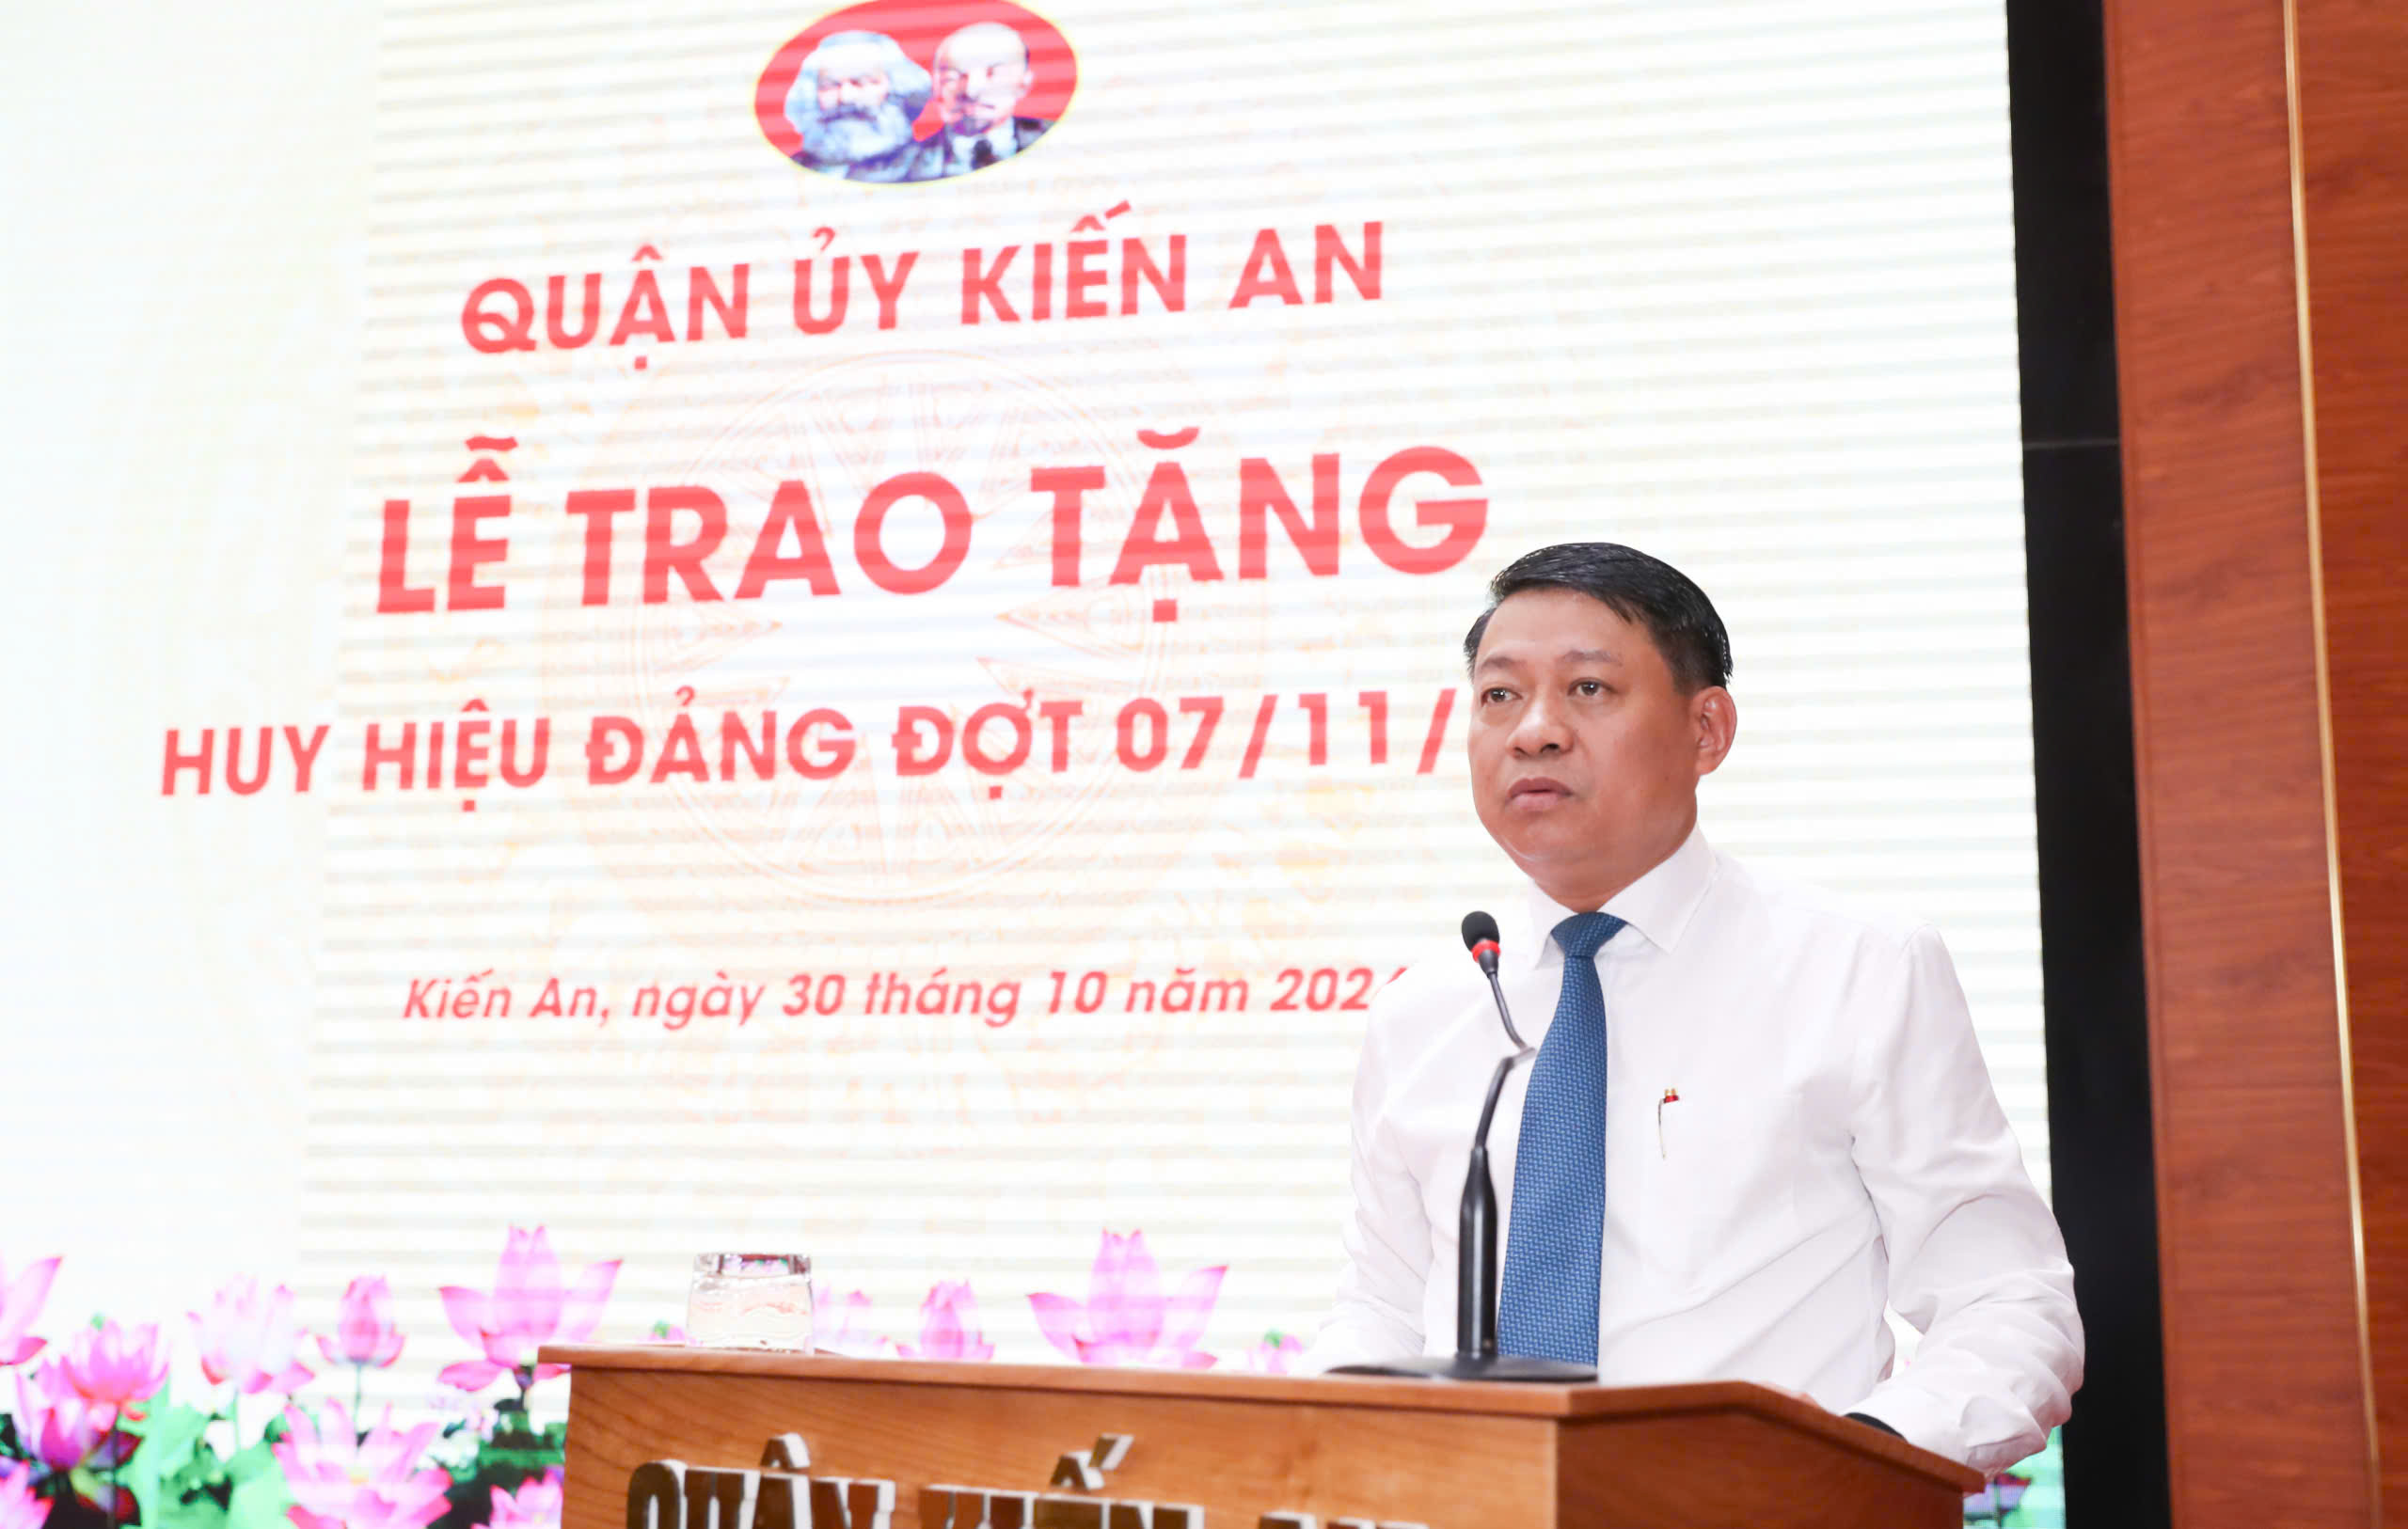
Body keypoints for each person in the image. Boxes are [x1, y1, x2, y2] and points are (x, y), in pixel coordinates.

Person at [1303, 543, 2083, 1477]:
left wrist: (1857, 1462)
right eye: (1498, 695)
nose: (1533, 732)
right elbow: (1384, 1304)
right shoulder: (1425, 1011)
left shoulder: (1859, 969)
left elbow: (2005, 1301)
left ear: (1706, 729)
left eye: (1588, 689)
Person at [897, 22, 1053, 180]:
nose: (971, 91)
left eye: (993, 73)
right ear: (936, 86)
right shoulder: (902, 167)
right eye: (953, 77)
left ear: (1024, 84)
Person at [783, 31, 931, 182]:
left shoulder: (927, 166)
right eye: (829, 85)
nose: (846, 97)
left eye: (861, 82)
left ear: (895, 89)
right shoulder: (790, 170)